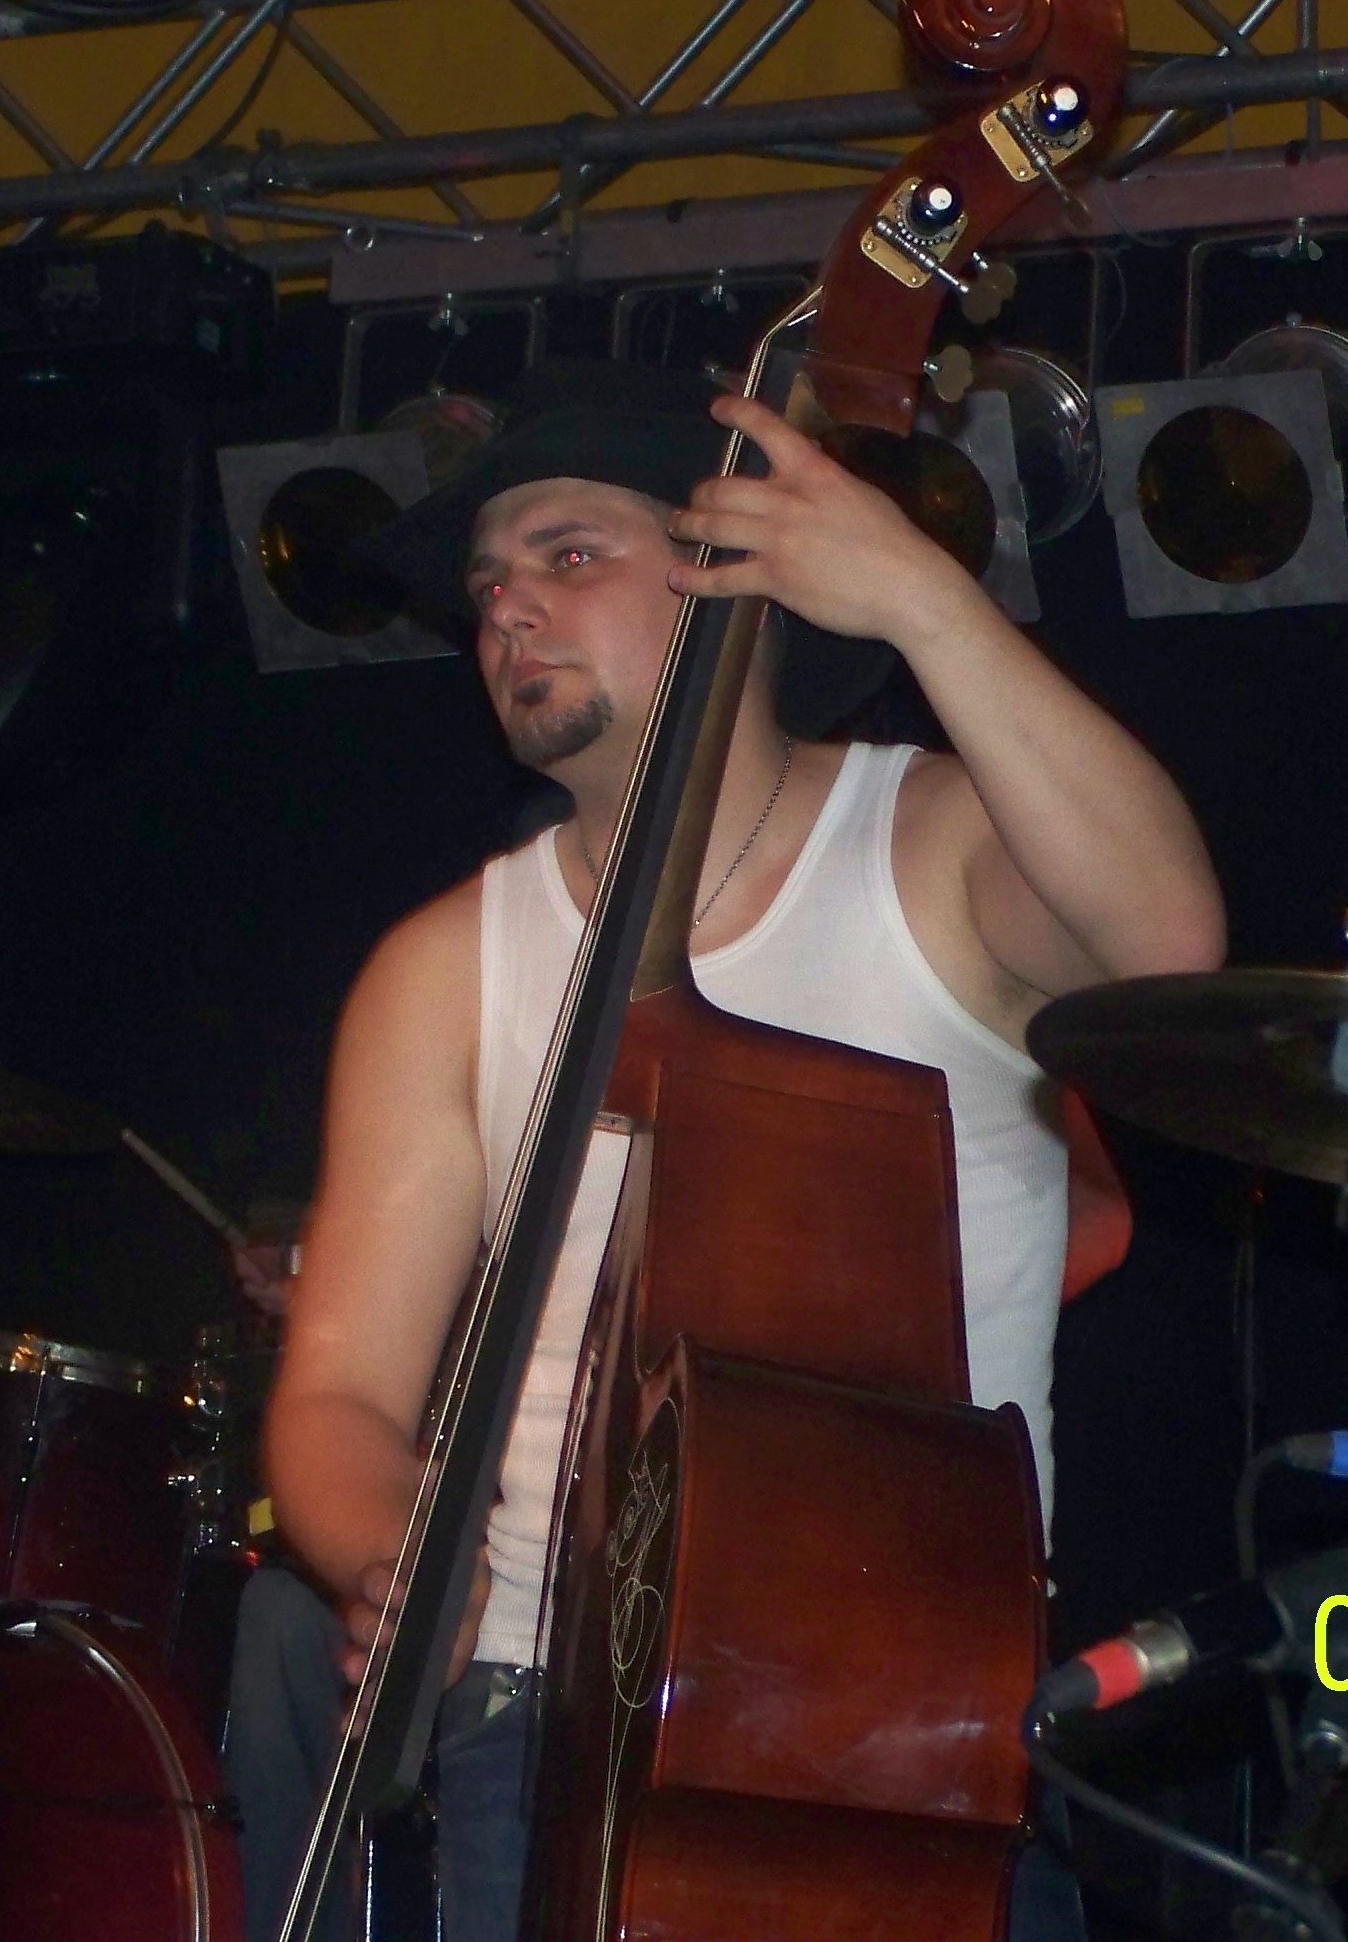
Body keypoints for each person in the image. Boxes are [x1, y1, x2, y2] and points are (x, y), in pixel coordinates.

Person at [241, 360, 1225, 1942]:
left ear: (736, 571)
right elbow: (342, 1389)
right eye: (488, 587)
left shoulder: (936, 843)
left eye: (569, 554)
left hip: (904, 1698)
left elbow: (1165, 944)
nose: (507, 610)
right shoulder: (440, 966)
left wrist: (926, 603)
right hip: (538, 1712)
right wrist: (391, 1563)